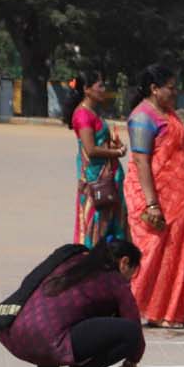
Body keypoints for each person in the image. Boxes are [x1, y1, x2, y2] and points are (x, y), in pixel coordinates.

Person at [0, 240, 146, 367]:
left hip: (14, 332)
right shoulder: (115, 280)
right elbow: (134, 327)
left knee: (62, 315)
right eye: (131, 274)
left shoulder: (71, 258)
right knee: (129, 332)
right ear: (124, 262)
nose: (129, 280)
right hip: (48, 342)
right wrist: (133, 359)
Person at [123, 64, 184, 328]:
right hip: (154, 198)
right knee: (151, 251)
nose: (175, 93)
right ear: (154, 89)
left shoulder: (168, 114)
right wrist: (152, 203)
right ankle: (138, 307)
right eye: (170, 88)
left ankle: (172, 310)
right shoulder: (142, 117)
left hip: (181, 202)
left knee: (178, 252)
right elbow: (140, 160)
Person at [66, 73, 127, 247]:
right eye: (99, 86)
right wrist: (118, 153)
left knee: (112, 227)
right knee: (96, 227)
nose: (103, 90)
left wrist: (114, 146)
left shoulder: (93, 112)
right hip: (96, 180)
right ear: (86, 90)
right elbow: (91, 150)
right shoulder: (83, 115)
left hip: (108, 176)